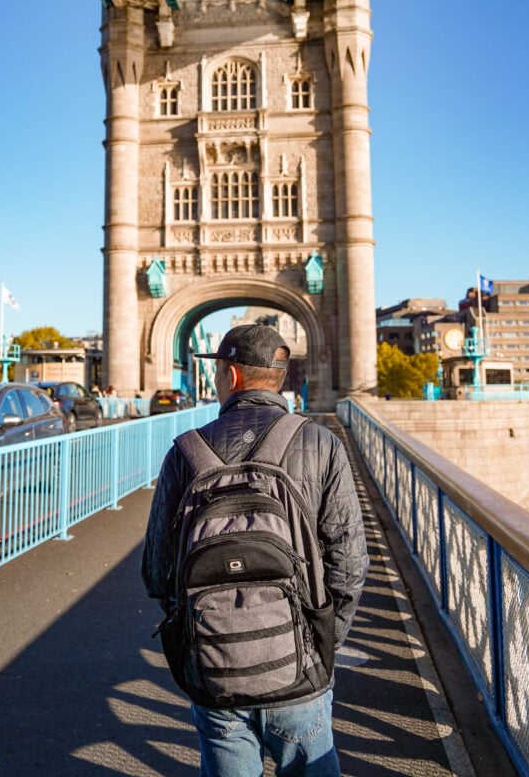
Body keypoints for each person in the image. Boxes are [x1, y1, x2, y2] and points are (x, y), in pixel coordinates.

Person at [142, 324, 369, 777]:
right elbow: (349, 563)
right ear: (280, 377)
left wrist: (199, 635)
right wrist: (318, 642)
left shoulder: (186, 453)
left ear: (232, 375)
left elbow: (156, 570)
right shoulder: (322, 443)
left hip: (215, 666)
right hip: (300, 667)